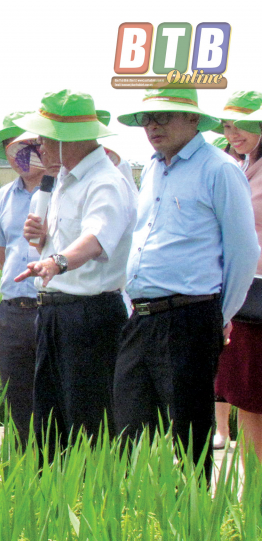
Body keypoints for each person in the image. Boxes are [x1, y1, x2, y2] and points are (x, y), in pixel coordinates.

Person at [114, 88, 258, 481]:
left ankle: (193, 511)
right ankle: (133, 508)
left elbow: (244, 252)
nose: (153, 126)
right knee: (127, 428)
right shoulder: (153, 169)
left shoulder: (219, 169)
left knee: (189, 435)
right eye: (147, 118)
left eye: (164, 116)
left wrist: (217, 316)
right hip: (141, 317)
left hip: (190, 316)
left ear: (193, 119)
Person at [14, 90, 137, 458]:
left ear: (69, 138)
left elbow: (96, 238)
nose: (39, 147)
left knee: (90, 425)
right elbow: (66, 240)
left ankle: (92, 492)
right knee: (50, 424)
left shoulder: (106, 181)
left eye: (45, 138)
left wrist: (57, 262)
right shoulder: (65, 180)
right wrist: (43, 241)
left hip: (90, 318)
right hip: (55, 312)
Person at [0, 112, 43, 446]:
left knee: (57, 399)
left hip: (53, 307)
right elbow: (2, 255)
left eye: (26, 143)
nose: (19, 153)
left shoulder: (65, 190)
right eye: (10, 147)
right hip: (14, 312)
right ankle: (27, 462)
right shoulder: (1, 199)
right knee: (18, 399)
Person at [210, 92, 262, 449]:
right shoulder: (242, 168)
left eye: (241, 125)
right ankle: (251, 481)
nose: (233, 134)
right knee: (247, 397)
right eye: (227, 127)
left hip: (254, 298)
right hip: (247, 298)